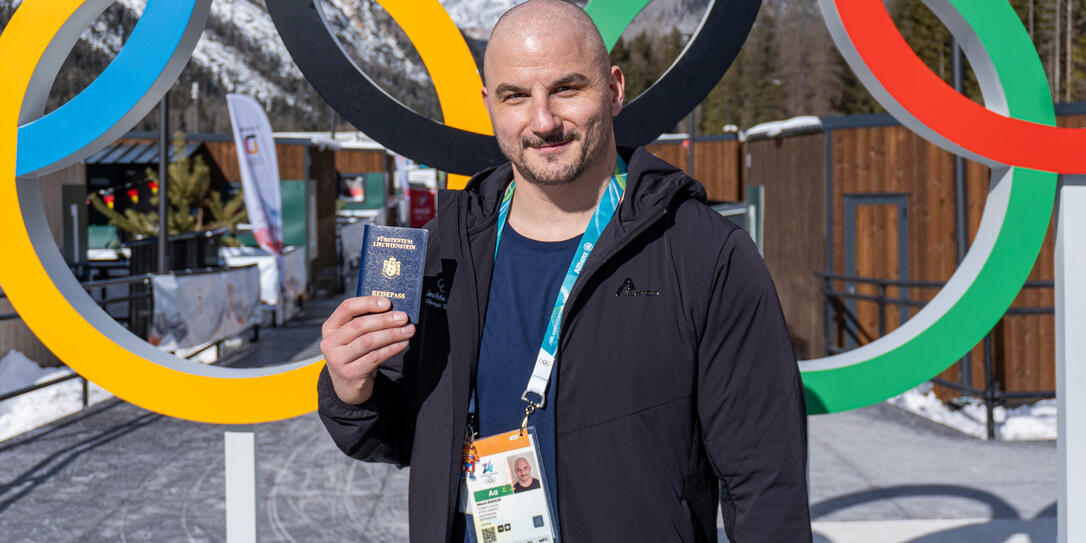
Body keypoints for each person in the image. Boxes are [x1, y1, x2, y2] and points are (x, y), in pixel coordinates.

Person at [317, 0, 812, 541]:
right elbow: (396, 433)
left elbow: (766, 486)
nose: (543, 120)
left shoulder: (704, 255)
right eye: (516, 96)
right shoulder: (444, 250)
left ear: (615, 89)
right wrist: (350, 386)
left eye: (567, 88)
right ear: (489, 105)